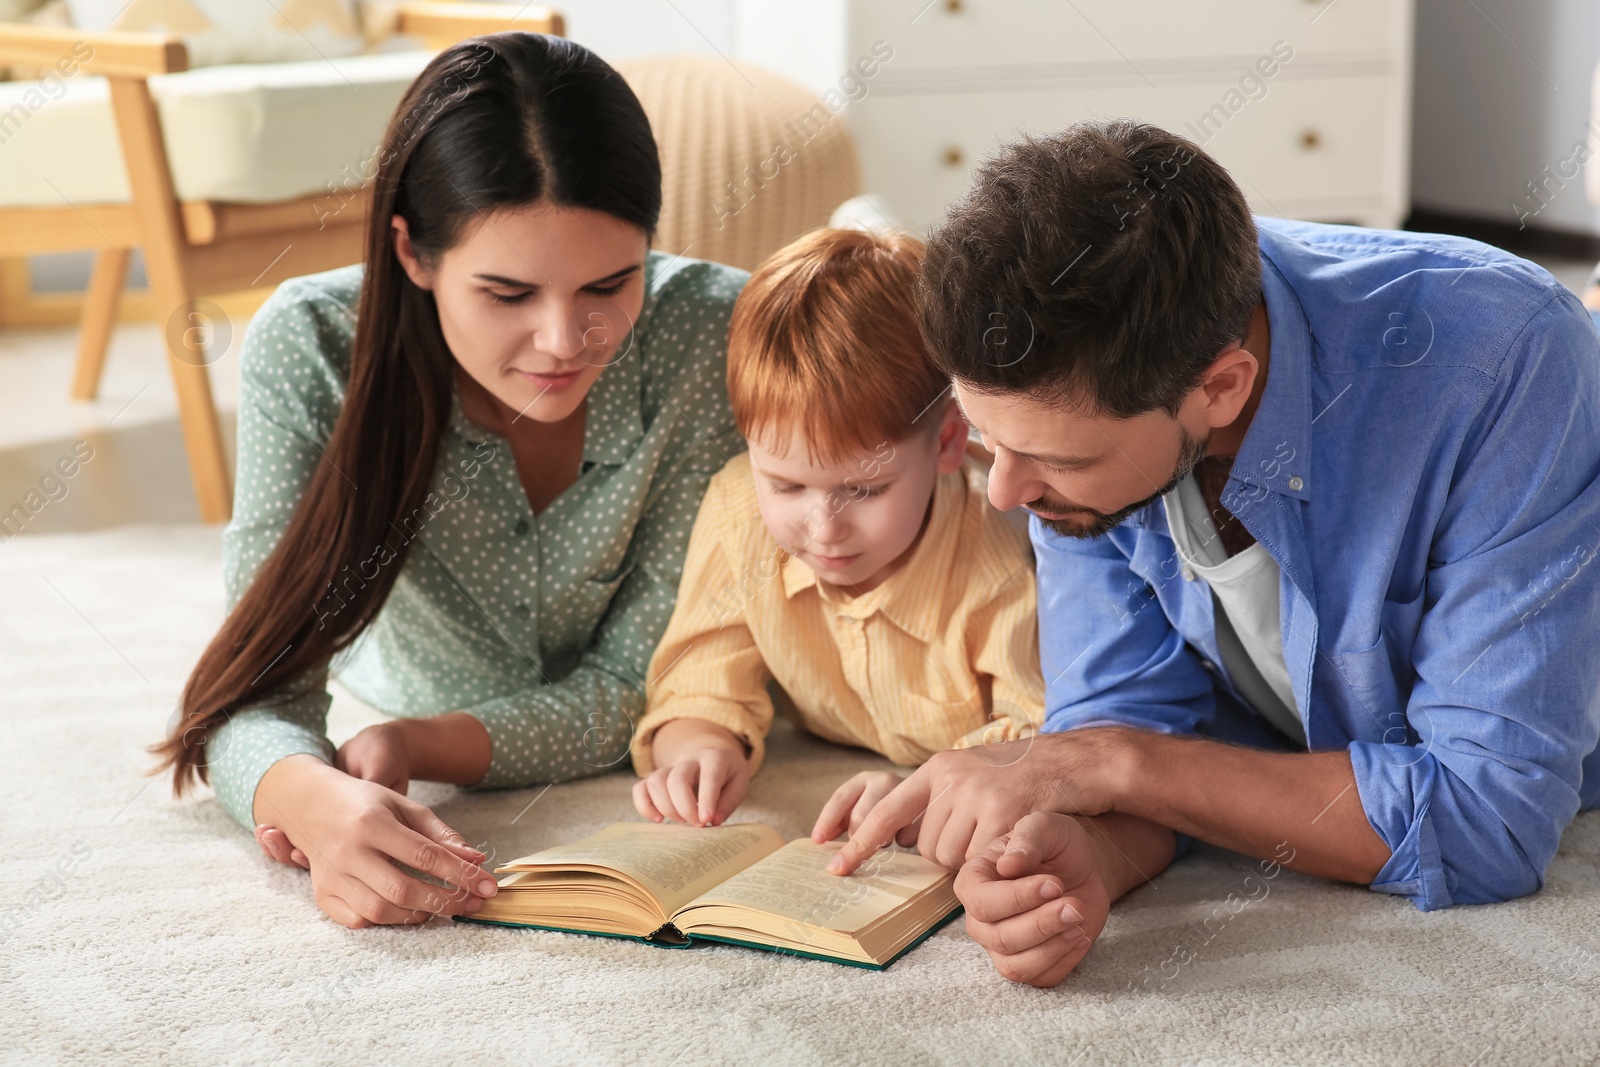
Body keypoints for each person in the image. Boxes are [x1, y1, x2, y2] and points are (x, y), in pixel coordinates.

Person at [826, 119, 1600, 988]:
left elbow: (1487, 823)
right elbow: (1128, 718)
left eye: (1054, 458)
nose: (1004, 493)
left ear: (1222, 388)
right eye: (987, 440)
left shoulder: (1508, 361)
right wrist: (1079, 856)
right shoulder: (1085, 377)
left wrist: (1111, 763)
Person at [147, 33, 748, 929]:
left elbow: (640, 680)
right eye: (508, 294)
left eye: (610, 284)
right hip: (403, 690)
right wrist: (308, 796)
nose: (564, 339)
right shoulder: (312, 346)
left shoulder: (709, 332)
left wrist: (416, 745)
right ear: (413, 253)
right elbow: (257, 688)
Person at [627, 228, 1044, 839]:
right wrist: (700, 748)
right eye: (786, 486)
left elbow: (1042, 738)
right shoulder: (737, 508)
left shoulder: (1001, 554)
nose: (823, 529)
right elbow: (697, 684)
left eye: (866, 490)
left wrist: (921, 789)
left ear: (950, 442)